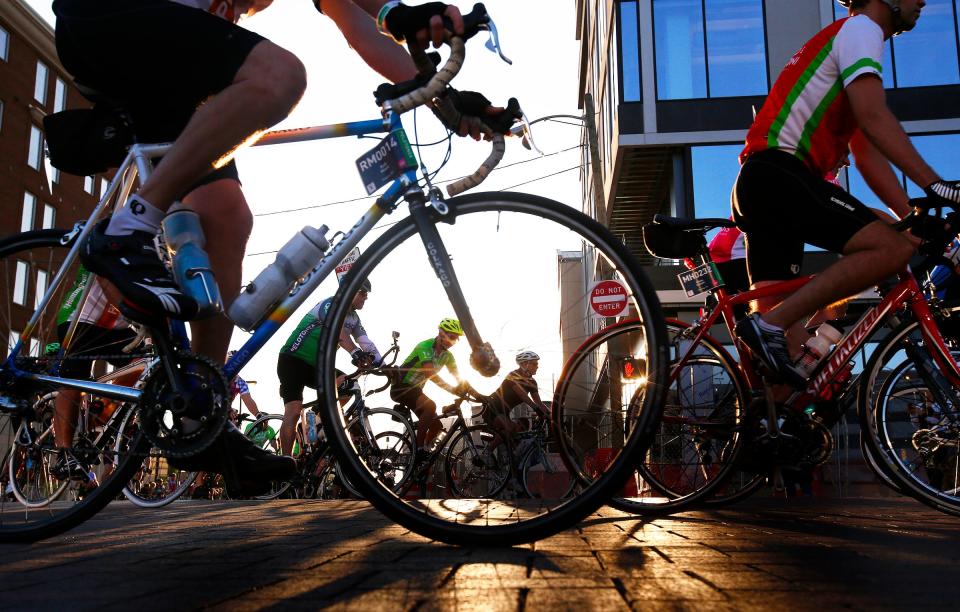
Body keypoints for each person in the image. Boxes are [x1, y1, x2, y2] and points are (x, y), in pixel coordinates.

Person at [50, 0, 471, 487]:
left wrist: (451, 102)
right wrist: (402, 20)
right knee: (279, 76)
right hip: (110, 18)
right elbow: (379, 15)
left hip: (167, 73)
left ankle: (199, 414)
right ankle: (128, 229)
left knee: (228, 216)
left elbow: (362, 21)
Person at [731, 0, 960, 388]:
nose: (922, 0)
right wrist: (935, 185)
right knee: (889, 250)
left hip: (763, 183)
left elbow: (868, 159)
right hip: (782, 174)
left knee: (783, 369)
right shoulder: (861, 30)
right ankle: (769, 324)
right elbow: (874, 117)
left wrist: (916, 218)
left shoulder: (846, 39)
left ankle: (754, 436)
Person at [50, 266, 142, 480]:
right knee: (74, 380)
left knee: (147, 361)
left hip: (117, 326)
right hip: (80, 316)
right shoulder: (124, 234)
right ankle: (64, 453)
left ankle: (104, 408)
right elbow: (106, 275)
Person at [277, 279, 380, 455]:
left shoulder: (354, 318)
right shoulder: (330, 304)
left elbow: (365, 341)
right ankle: (285, 462)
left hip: (317, 367)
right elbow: (336, 330)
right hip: (293, 360)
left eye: (367, 294)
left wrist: (382, 365)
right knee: (293, 412)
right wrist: (355, 353)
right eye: (363, 293)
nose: (366, 297)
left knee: (348, 385)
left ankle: (315, 419)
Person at [391, 318, 467, 464]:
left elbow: (459, 377)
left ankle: (421, 454)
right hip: (401, 386)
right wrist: (452, 389)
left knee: (436, 426)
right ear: (441, 333)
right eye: (450, 337)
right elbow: (429, 374)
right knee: (430, 406)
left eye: (455, 339)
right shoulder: (424, 346)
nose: (452, 341)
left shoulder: (448, 356)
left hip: (415, 391)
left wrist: (471, 391)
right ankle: (419, 450)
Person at [486, 351, 550, 441]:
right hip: (493, 410)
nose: (537, 366)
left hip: (506, 413)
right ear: (524, 364)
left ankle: (512, 453)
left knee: (519, 433)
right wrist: (537, 410)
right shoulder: (513, 375)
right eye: (534, 364)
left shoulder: (532, 382)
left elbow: (538, 402)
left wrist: (550, 415)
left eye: (537, 364)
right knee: (510, 428)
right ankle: (488, 452)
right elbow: (522, 395)